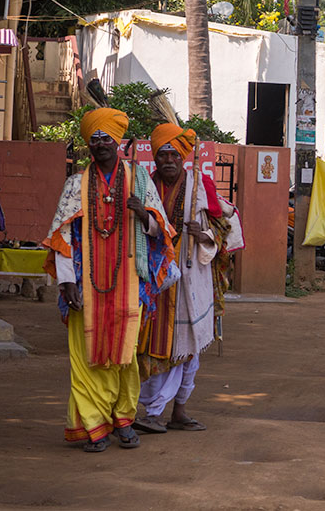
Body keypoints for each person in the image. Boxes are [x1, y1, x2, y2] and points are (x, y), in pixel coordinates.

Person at [43, 108, 178, 453]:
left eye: (107, 138)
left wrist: (141, 214)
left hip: (128, 285)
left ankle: (124, 419)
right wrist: (66, 281)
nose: (101, 144)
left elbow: (162, 232)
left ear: (118, 142)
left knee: (125, 356)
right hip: (84, 285)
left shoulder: (140, 180)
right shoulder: (76, 184)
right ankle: (94, 426)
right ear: (89, 145)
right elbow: (63, 236)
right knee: (86, 357)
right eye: (95, 138)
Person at [134, 123, 220, 435]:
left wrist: (206, 234)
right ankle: (154, 411)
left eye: (173, 154)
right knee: (159, 347)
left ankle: (179, 411)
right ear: (154, 158)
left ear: (182, 157)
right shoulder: (144, 185)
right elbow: (149, 229)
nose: (168, 160)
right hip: (156, 280)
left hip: (193, 278)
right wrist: (144, 217)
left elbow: (226, 223)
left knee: (190, 346)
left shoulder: (200, 184)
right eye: (162, 154)